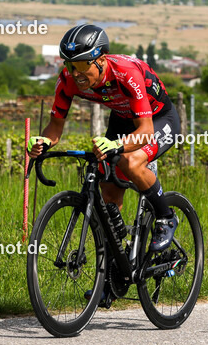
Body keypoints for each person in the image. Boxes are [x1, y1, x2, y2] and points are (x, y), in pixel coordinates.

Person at [27, 23, 181, 253]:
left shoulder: (125, 73)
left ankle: (166, 217)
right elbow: (55, 127)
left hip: (158, 119)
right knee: (108, 191)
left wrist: (118, 145)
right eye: (69, 64)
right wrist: (44, 142)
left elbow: (146, 131)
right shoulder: (68, 80)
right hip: (122, 119)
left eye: (81, 64)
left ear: (101, 59)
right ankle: (114, 272)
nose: (75, 73)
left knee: (130, 161)